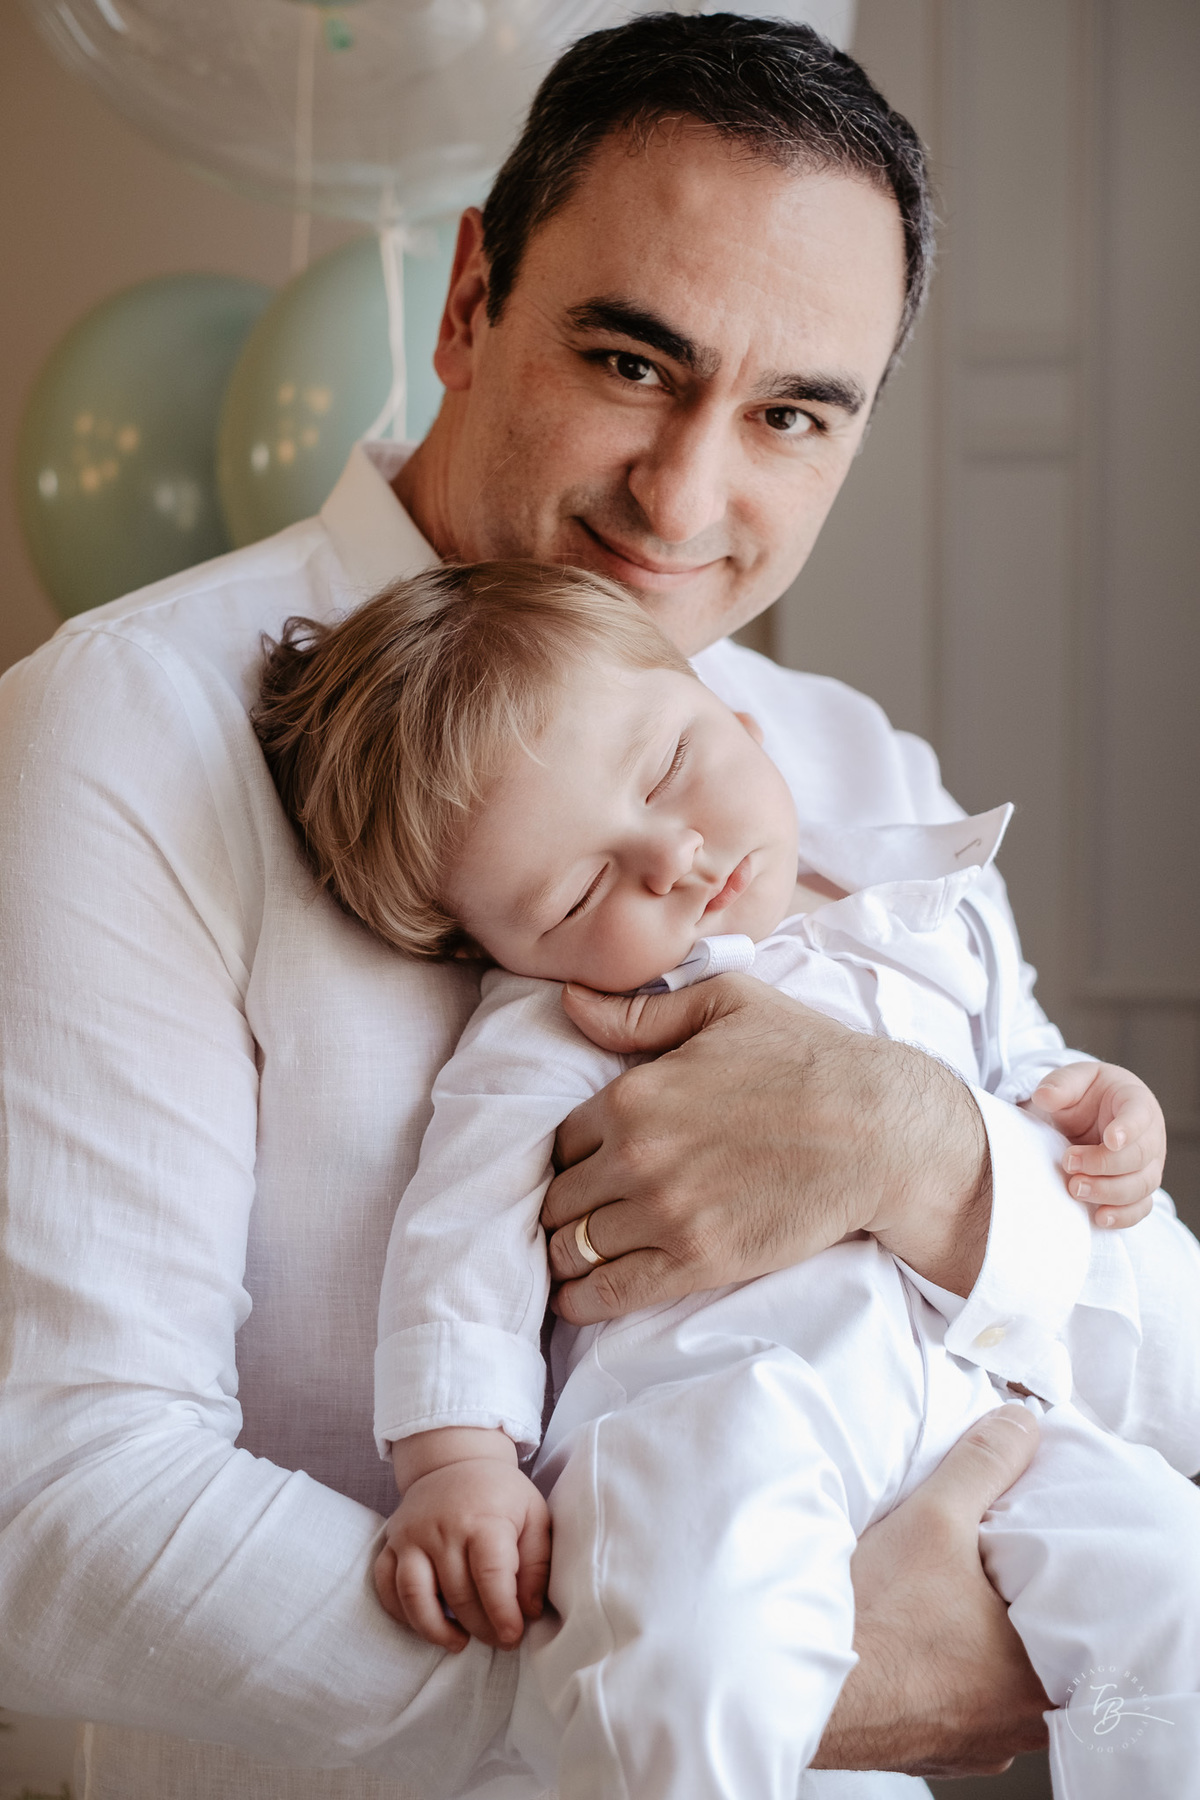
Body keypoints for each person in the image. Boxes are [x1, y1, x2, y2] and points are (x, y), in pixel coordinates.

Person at [1, 15, 1198, 1800]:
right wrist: (739, 1684)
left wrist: (935, 1160)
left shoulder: (860, 771)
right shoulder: (131, 726)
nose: (685, 496)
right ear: (470, 300)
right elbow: (52, 1502)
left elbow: (1163, 1369)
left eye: (791, 414)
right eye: (634, 361)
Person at [253, 557, 1198, 1800]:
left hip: (976, 1422)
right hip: (720, 1409)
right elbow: (462, 1237)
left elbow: (1021, 1080)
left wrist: (1101, 1108)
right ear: (504, 951)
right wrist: (456, 1462)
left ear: (737, 717)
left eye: (667, 769)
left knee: (1167, 1578)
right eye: (581, 889)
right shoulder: (559, 1027)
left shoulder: (924, 913)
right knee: (694, 1654)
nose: (672, 856)